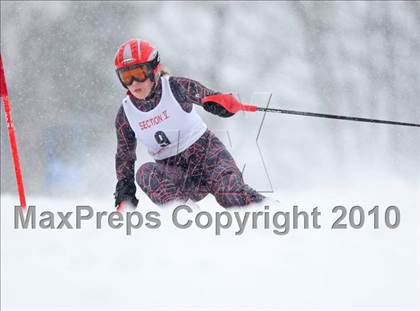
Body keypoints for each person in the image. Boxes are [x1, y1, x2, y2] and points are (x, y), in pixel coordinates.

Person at [113, 39, 264, 209]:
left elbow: (207, 96)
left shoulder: (175, 87)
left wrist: (222, 104)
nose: (134, 83)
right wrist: (125, 192)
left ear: (154, 69)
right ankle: (186, 216)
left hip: (208, 157)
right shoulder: (126, 113)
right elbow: (125, 156)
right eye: (126, 76)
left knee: (229, 196)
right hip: (176, 174)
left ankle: (270, 209)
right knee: (145, 173)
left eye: (139, 73)